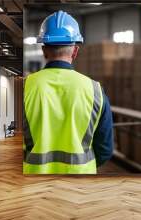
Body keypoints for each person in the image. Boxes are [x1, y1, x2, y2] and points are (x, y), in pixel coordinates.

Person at [23, 11, 113, 174]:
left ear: (44, 51)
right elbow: (105, 149)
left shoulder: (25, 87)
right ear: (75, 51)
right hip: (80, 184)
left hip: (33, 181)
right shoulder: (95, 90)